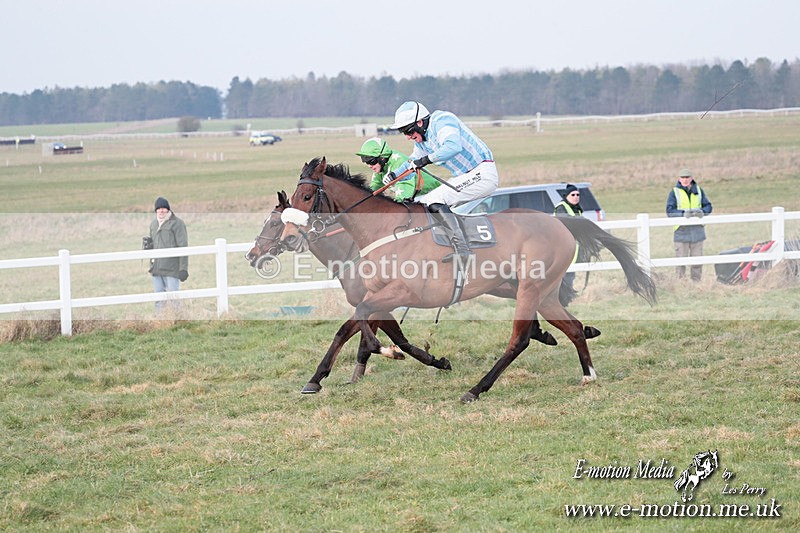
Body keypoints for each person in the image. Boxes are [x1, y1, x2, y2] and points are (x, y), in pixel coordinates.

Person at [386, 101, 499, 263]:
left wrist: (426, 159)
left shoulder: (442, 120)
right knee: (422, 203)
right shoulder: (422, 143)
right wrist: (394, 176)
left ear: (420, 122)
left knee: (433, 200)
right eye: (403, 132)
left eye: (408, 131)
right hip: (466, 176)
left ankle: (462, 249)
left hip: (482, 173)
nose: (408, 137)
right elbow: (411, 165)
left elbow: (453, 146)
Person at [355, 137, 440, 202]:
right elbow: (374, 188)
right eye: (366, 162)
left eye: (371, 161)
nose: (369, 165)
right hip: (416, 197)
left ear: (382, 158)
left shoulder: (399, 162)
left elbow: (404, 195)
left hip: (431, 194)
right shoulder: (381, 167)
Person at [666, 169, 712, 281]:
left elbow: (708, 207)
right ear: (679, 179)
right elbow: (669, 211)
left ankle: (696, 283)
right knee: (681, 261)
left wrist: (702, 211)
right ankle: (680, 284)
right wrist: (682, 214)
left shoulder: (699, 191)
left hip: (697, 230)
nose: (685, 180)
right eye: (683, 178)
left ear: (691, 178)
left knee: (697, 261)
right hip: (681, 231)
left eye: (687, 177)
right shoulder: (674, 192)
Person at [147, 196, 188, 310]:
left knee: (174, 299)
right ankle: (160, 323)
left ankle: (177, 321)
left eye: (164, 208)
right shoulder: (153, 224)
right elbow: (152, 245)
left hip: (172, 269)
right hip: (156, 268)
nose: (161, 211)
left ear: (168, 209)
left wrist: (183, 268)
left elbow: (183, 246)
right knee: (159, 299)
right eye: (158, 208)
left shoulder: (177, 223)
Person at [553, 184, 584, 293]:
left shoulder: (577, 209)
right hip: (562, 246)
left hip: (574, 245)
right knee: (564, 271)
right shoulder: (561, 207)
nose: (576, 197)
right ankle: (563, 294)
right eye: (573, 195)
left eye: (578, 195)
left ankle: (567, 293)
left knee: (570, 272)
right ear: (566, 196)